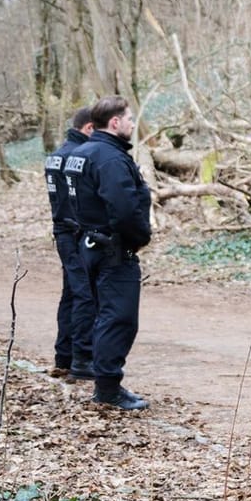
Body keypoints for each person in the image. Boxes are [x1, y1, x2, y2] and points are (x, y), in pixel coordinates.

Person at [69, 95, 152, 411]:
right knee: (119, 318)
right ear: (114, 122)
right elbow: (124, 209)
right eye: (129, 119)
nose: (132, 124)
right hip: (112, 250)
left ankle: (107, 385)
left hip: (90, 244)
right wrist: (140, 237)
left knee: (106, 315)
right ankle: (108, 389)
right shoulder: (110, 159)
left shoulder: (84, 153)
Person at [45, 105, 96, 380]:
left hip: (61, 231)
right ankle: (80, 360)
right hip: (75, 233)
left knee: (70, 294)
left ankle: (63, 357)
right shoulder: (78, 157)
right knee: (84, 294)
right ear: (88, 128)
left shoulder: (55, 155)